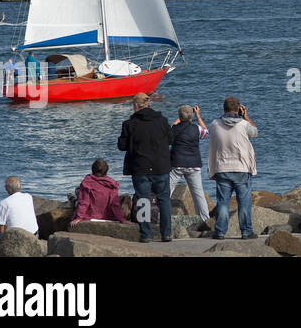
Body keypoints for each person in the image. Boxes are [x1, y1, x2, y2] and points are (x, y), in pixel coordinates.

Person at [117, 92, 173, 242]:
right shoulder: (162, 121)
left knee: (143, 200)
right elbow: (171, 139)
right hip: (161, 166)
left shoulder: (129, 124)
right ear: (148, 104)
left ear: (136, 105)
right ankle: (167, 233)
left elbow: (121, 146)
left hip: (140, 167)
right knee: (164, 199)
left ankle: (145, 234)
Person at [207, 96, 258, 240]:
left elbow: (211, 131)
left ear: (224, 108)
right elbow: (255, 132)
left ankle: (220, 232)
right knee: (244, 201)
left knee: (223, 201)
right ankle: (246, 232)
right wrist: (246, 116)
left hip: (222, 167)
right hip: (241, 167)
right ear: (238, 109)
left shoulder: (215, 124)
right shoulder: (243, 124)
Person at [170, 104, 210, 221]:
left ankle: (160, 216)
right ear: (191, 117)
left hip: (177, 164)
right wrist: (198, 115)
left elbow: (173, 126)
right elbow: (206, 132)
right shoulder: (196, 128)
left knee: (166, 191)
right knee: (198, 194)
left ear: (179, 117)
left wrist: (180, 117)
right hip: (194, 165)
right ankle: (205, 219)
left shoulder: (174, 129)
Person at [72, 159, 127, 224]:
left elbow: (84, 202)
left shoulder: (87, 182)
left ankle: (73, 199)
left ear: (92, 169)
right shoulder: (111, 184)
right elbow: (115, 204)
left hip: (90, 216)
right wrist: (121, 219)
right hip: (108, 216)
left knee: (78, 191)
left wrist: (79, 217)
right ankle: (73, 199)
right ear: (106, 171)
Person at [0, 176, 38, 245]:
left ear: (7, 188)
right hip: (33, 234)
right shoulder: (28, 196)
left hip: (16, 237)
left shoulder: (4, 203)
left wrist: (2, 241)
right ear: (20, 186)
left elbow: (1, 225)